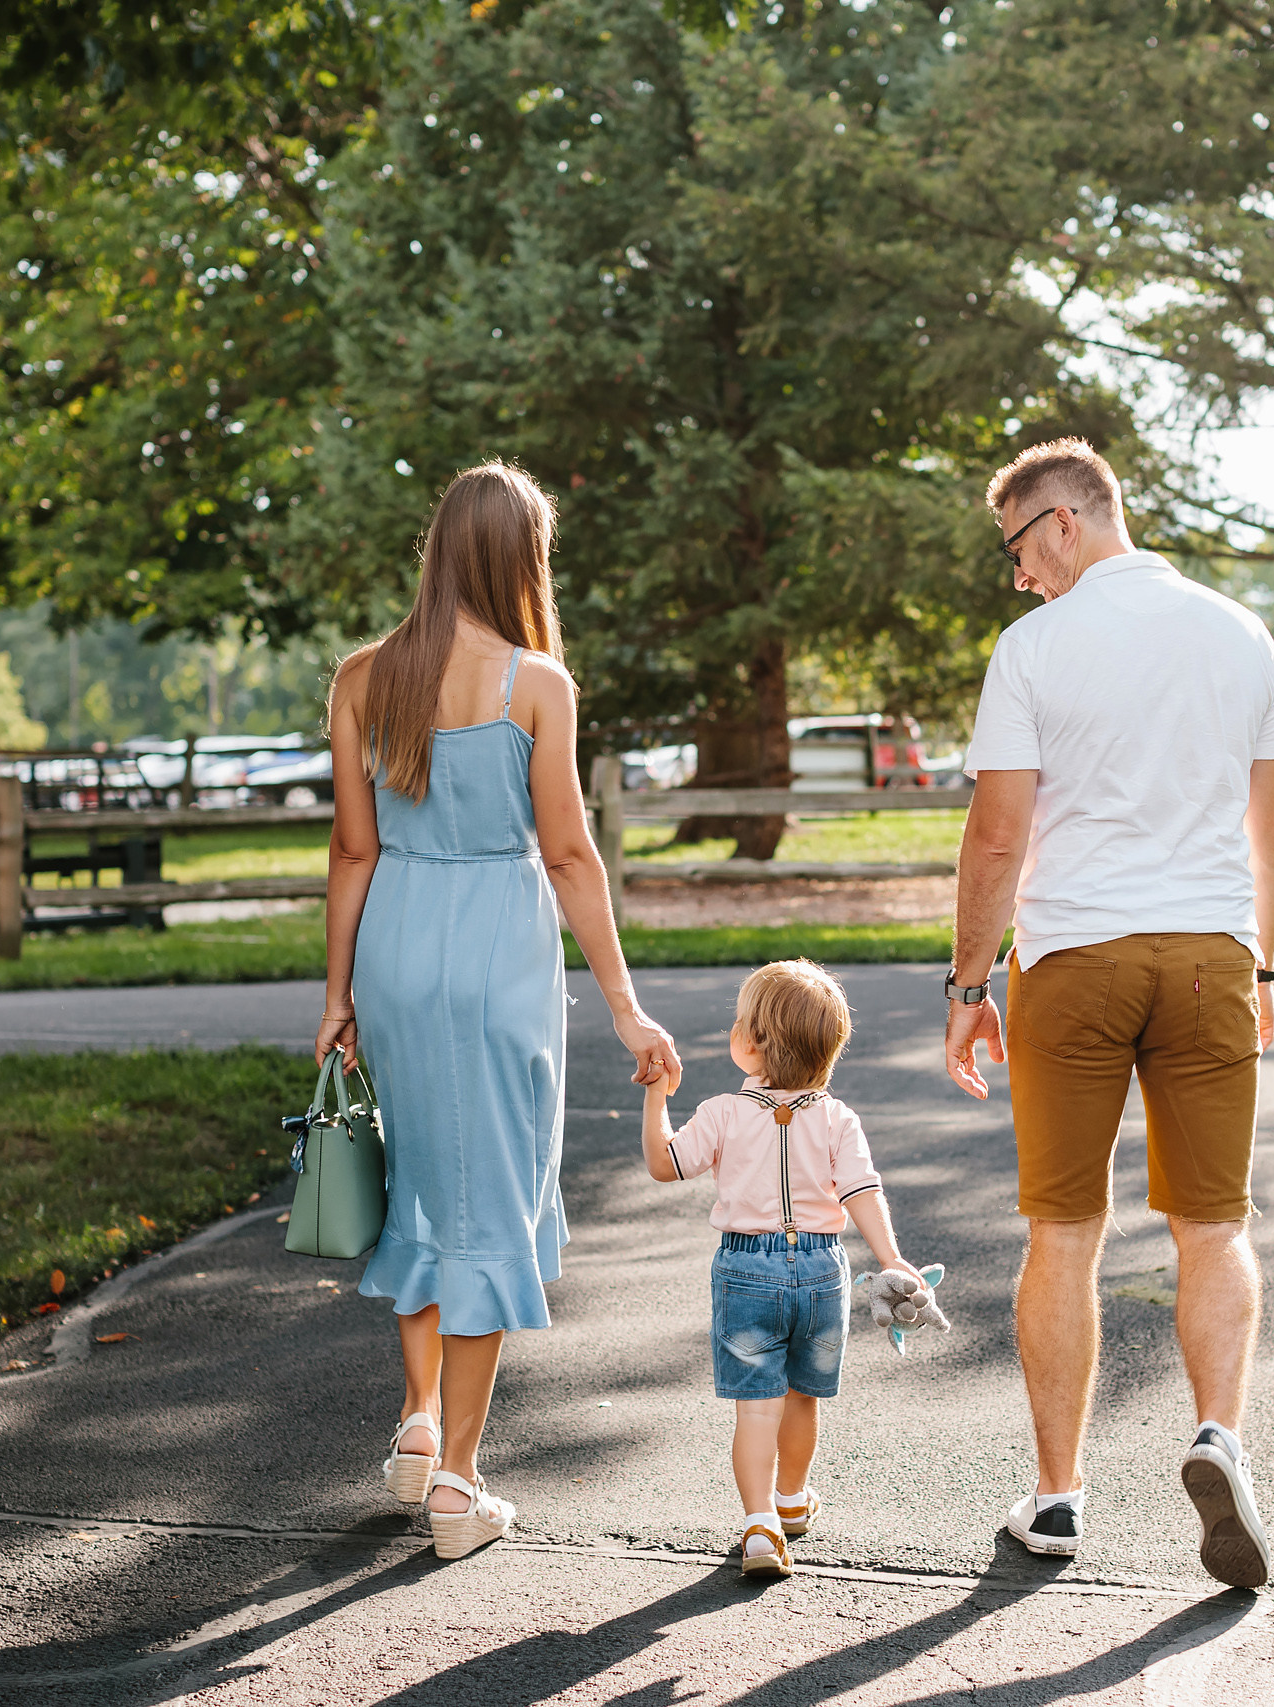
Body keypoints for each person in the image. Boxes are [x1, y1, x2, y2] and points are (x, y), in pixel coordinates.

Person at [942, 439, 1274, 1587]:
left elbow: (997, 835)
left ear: (1061, 522)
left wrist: (966, 986)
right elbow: (1270, 832)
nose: (1017, 577)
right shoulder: (1240, 632)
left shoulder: (1034, 648)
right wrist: (1266, 968)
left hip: (1075, 961)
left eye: (1015, 549)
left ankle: (1055, 1501)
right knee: (1214, 1225)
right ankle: (1219, 1437)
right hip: (1208, 961)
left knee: (1063, 1230)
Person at [316, 462, 681, 1561]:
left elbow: (349, 849)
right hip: (496, 958)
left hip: (393, 949)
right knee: (487, 1205)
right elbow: (568, 855)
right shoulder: (536, 685)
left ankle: (420, 1423)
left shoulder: (361, 677)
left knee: (424, 1180)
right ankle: (459, 1491)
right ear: (523, 555)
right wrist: (624, 1006)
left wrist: (335, 996)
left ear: (438, 546)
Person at [641, 960, 921, 1578]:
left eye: (739, 1023)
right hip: (822, 1266)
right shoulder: (836, 1117)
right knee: (803, 1397)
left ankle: (760, 1522)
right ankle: (793, 1499)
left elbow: (665, 1164)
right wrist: (891, 1256)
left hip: (746, 1269)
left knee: (757, 1406)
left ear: (751, 1043)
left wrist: (657, 1096)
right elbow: (862, 1191)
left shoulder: (720, 1113)